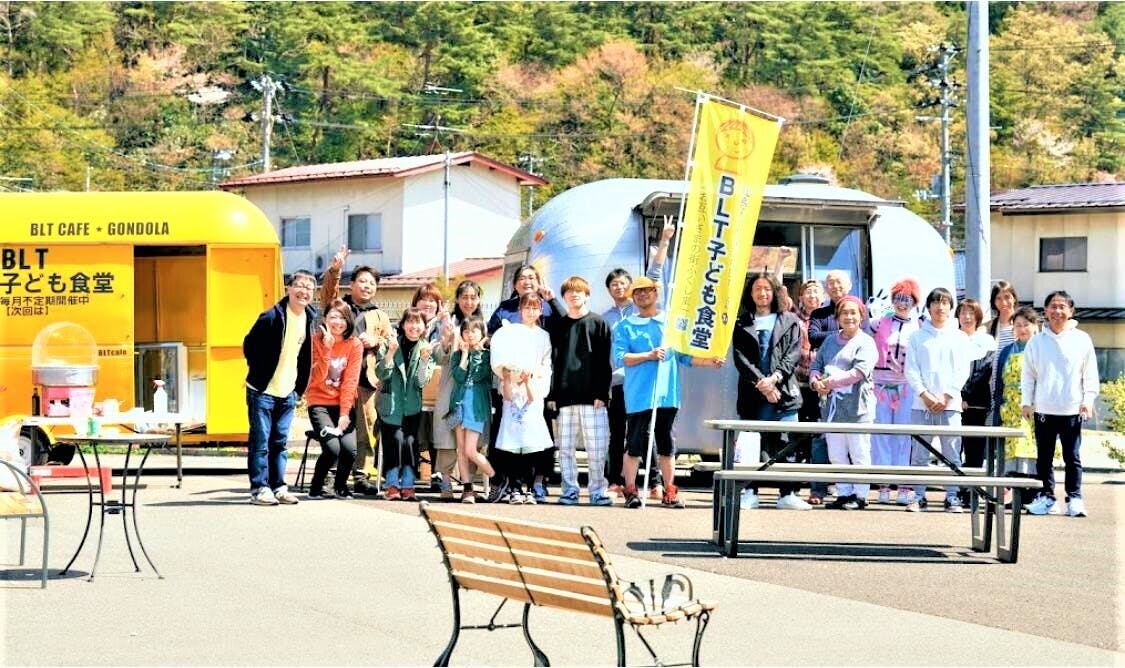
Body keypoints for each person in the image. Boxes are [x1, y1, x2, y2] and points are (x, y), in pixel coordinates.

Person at [612, 276, 724, 509]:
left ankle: (669, 490)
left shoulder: (670, 325)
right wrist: (649, 355)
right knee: (634, 445)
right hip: (639, 395)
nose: (643, 295)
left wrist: (709, 361)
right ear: (633, 297)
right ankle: (630, 490)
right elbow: (621, 358)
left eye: (648, 290)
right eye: (638, 292)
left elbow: (684, 356)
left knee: (666, 445)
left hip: (667, 394)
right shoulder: (624, 326)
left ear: (656, 294)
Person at [603, 219, 673, 500]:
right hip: (619, 383)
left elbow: (655, 273)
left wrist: (665, 241)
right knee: (622, 433)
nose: (619, 288)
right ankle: (617, 481)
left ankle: (654, 481)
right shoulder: (607, 317)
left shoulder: (642, 309)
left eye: (623, 284)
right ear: (609, 290)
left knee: (650, 432)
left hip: (644, 381)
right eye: (614, 284)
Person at [486, 264, 564, 502]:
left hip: (534, 391)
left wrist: (534, 380)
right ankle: (512, 486)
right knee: (510, 439)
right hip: (511, 390)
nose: (530, 311)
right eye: (526, 307)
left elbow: (548, 360)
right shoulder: (506, 324)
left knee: (534, 440)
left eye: (534, 307)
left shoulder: (545, 330)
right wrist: (509, 376)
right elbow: (496, 353)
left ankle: (532, 486)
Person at [320, 246, 393, 497]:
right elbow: (327, 293)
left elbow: (390, 342)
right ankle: (330, 474)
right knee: (334, 427)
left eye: (372, 283)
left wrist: (376, 342)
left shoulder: (380, 316)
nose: (367, 286)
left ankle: (362, 475)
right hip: (336, 379)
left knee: (367, 428)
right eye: (362, 281)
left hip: (366, 380)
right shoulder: (339, 307)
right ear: (351, 284)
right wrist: (335, 270)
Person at [732, 273, 809, 510]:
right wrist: (762, 384)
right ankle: (750, 492)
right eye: (757, 288)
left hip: (784, 392)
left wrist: (774, 380)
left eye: (766, 288)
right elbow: (740, 359)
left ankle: (787, 494)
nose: (762, 293)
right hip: (752, 394)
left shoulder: (790, 320)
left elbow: (793, 355)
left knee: (786, 444)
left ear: (774, 292)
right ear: (750, 293)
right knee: (752, 444)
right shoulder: (742, 322)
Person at [1021, 291, 1099, 518]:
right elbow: (1028, 376)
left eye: (1062, 306)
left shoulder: (1082, 339)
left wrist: (1088, 400)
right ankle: (1047, 498)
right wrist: (1026, 402)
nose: (1057, 311)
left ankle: (1074, 499)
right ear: (1045, 311)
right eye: (1052, 306)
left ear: (1071, 311)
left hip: (1072, 409)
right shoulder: (1036, 341)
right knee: (1044, 458)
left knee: (1072, 457)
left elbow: (1090, 373)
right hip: (1044, 409)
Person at [242, 271, 317, 506]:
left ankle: (278, 487)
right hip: (262, 390)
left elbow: (304, 357)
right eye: (299, 286)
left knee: (280, 443)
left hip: (288, 392)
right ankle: (259, 489)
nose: (304, 291)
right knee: (261, 442)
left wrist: (297, 389)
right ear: (289, 288)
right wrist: (260, 371)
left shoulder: (310, 319)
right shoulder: (272, 317)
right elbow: (249, 345)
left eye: (309, 288)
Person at [903, 287, 973, 513]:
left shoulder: (960, 337)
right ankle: (918, 496)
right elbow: (911, 370)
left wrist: (947, 396)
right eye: (935, 302)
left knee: (952, 453)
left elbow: (962, 371)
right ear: (928, 306)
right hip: (920, 405)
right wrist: (924, 394)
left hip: (950, 406)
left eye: (945, 303)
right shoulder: (917, 336)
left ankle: (952, 496)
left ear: (951, 308)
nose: (940, 307)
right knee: (919, 454)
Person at [549, 276, 613, 507]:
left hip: (592, 397)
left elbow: (605, 362)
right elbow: (553, 362)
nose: (574, 295)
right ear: (564, 297)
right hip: (564, 397)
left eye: (579, 291)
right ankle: (569, 490)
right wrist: (552, 395)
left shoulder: (599, 323)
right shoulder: (558, 326)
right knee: (565, 449)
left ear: (587, 295)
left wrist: (603, 394)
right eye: (569, 292)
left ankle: (598, 491)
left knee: (597, 448)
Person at [810, 296, 877, 510]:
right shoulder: (830, 340)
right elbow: (816, 365)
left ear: (861, 316)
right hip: (832, 409)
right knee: (836, 454)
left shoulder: (866, 342)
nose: (849, 317)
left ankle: (861, 495)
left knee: (859, 453)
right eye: (844, 313)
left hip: (858, 409)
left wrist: (829, 382)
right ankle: (844, 492)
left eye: (853, 312)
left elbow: (859, 372)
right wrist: (815, 382)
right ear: (837, 317)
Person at [866, 277, 921, 505]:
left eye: (907, 299)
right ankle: (884, 485)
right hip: (879, 385)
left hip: (906, 387)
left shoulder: (919, 326)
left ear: (915, 302)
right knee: (881, 435)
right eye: (898, 298)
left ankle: (904, 485)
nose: (902, 303)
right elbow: (859, 329)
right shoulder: (878, 322)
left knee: (904, 435)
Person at [433, 281, 489, 500]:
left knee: (473, 438)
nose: (469, 301)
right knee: (447, 433)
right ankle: (446, 480)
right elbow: (438, 356)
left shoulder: (484, 325)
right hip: (451, 386)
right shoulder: (449, 323)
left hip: (475, 392)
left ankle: (469, 485)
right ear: (457, 299)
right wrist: (447, 341)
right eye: (464, 297)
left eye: (473, 297)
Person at [304, 299, 363, 499]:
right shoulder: (314, 341)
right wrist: (327, 349)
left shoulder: (354, 344)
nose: (338, 322)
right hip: (319, 402)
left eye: (342, 318)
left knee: (349, 449)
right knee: (332, 448)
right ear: (325, 319)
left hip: (343, 404)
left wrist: (345, 413)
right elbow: (316, 377)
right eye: (333, 317)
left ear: (349, 320)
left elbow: (350, 381)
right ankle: (316, 487)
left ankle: (340, 487)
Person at [376, 307, 436, 501]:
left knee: (410, 443)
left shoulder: (426, 348)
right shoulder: (390, 343)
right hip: (391, 405)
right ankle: (392, 485)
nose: (414, 326)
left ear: (424, 327)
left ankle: (408, 485)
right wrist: (391, 352)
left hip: (411, 407)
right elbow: (381, 373)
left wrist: (424, 361)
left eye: (418, 322)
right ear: (402, 325)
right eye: (410, 321)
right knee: (393, 441)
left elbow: (421, 382)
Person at [805, 269, 853, 504]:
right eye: (830, 282)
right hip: (823, 384)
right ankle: (818, 488)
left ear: (849, 285)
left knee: (852, 438)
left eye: (839, 282)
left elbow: (862, 335)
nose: (835, 286)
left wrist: (834, 334)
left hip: (851, 386)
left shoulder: (857, 309)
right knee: (821, 436)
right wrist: (845, 332)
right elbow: (813, 337)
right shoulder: (819, 313)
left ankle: (850, 489)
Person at [991, 306, 1041, 504]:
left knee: (1032, 450)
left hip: (1034, 409)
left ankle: (1032, 494)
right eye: (1017, 325)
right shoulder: (1006, 351)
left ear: (1035, 326)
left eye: (1025, 325)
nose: (1021, 329)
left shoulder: (1040, 349)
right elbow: (999, 384)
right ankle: (1012, 495)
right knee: (1011, 452)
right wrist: (997, 410)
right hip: (1010, 410)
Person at [446, 316, 495, 504]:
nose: (470, 334)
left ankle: (496, 478)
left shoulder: (486, 355)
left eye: (474, 331)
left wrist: (476, 353)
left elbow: (479, 374)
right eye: (466, 331)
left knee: (470, 450)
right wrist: (465, 355)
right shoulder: (457, 355)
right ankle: (467, 489)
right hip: (459, 405)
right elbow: (458, 376)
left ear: (482, 333)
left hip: (476, 406)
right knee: (461, 449)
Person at [411, 282, 446, 492]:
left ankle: (436, 473)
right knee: (415, 429)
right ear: (416, 302)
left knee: (435, 429)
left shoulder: (444, 325)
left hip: (437, 388)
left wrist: (440, 322)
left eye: (432, 300)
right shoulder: (410, 322)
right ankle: (410, 470)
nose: (427, 303)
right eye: (423, 299)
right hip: (413, 389)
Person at [957, 298, 997, 479]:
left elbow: (984, 370)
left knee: (975, 449)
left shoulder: (987, 340)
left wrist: (966, 396)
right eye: (963, 312)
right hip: (952, 401)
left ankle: (972, 488)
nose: (967, 317)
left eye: (971, 313)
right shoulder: (951, 338)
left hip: (978, 403)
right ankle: (956, 487)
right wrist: (958, 397)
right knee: (953, 447)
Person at [988, 280, 1019, 353]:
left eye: (1007, 297)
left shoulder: (1025, 322)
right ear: (994, 302)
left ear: (1014, 298)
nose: (1004, 303)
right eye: (998, 298)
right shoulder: (989, 327)